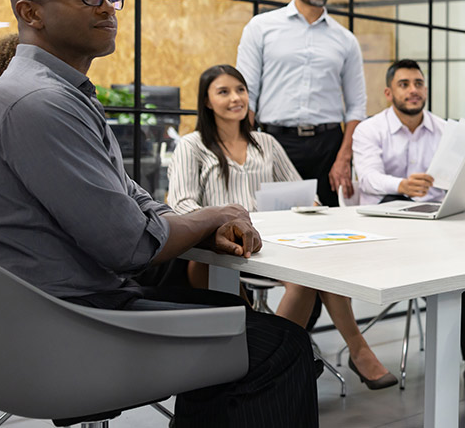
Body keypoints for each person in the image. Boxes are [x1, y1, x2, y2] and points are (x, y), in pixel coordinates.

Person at [0, 0, 319, 426]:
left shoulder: (60, 93)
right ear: (31, 13)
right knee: (279, 347)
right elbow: (129, 244)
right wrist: (210, 216)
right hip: (70, 321)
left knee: (226, 309)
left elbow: (131, 196)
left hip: (65, 304)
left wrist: (194, 224)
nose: (106, 7)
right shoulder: (39, 102)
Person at [168, 64, 397, 390]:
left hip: (273, 244)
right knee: (305, 269)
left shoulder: (266, 143)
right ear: (206, 102)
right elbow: (181, 205)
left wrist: (312, 206)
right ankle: (348, 351)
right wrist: (221, 221)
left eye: (240, 90)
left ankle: (272, 357)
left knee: (315, 270)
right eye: (224, 91)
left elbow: (300, 192)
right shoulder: (192, 146)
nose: (236, 98)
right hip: (222, 250)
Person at [353, 58, 465, 403]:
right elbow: (368, 178)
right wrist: (402, 184)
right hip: (387, 230)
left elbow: (460, 179)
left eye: (418, 83)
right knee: (388, 194)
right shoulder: (369, 130)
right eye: (404, 84)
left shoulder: (447, 130)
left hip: (439, 228)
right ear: (389, 92)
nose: (413, 90)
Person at [236, 0, 365, 209]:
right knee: (277, 222)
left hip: (328, 147)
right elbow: (247, 95)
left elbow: (357, 106)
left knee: (330, 224)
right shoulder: (261, 27)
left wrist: (344, 156)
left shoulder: (345, 39)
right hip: (275, 142)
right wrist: (245, 149)